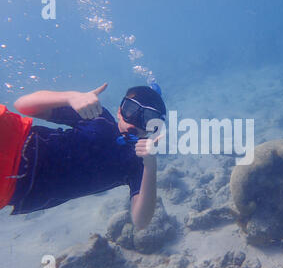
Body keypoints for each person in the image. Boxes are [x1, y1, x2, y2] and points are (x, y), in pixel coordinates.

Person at [0, 83, 166, 230]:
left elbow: (140, 221)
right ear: (119, 111)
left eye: (148, 119)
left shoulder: (138, 165)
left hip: (9, 186)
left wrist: (150, 165)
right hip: (11, 136)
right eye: (130, 109)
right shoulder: (97, 116)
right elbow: (23, 105)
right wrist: (71, 97)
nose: (134, 121)